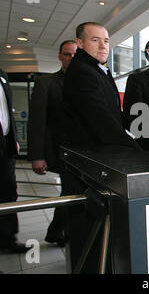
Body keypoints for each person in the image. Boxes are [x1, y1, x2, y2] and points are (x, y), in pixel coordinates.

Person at [27, 40, 77, 247]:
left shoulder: (88, 82)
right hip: (63, 150)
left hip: (88, 152)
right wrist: (37, 156)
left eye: (75, 55)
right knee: (69, 192)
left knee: (73, 193)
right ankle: (58, 231)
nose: (71, 59)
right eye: (67, 54)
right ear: (60, 56)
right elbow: (36, 122)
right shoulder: (46, 83)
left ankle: (58, 231)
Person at [63, 22, 140, 150]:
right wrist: (135, 148)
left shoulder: (97, 68)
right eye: (95, 40)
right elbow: (100, 119)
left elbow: (113, 113)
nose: (102, 46)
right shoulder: (81, 71)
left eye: (106, 41)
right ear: (80, 43)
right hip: (94, 151)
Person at [0, 68, 28, 253]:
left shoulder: (3, 76)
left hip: (5, 145)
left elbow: (8, 112)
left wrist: (15, 140)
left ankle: (8, 238)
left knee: (9, 193)